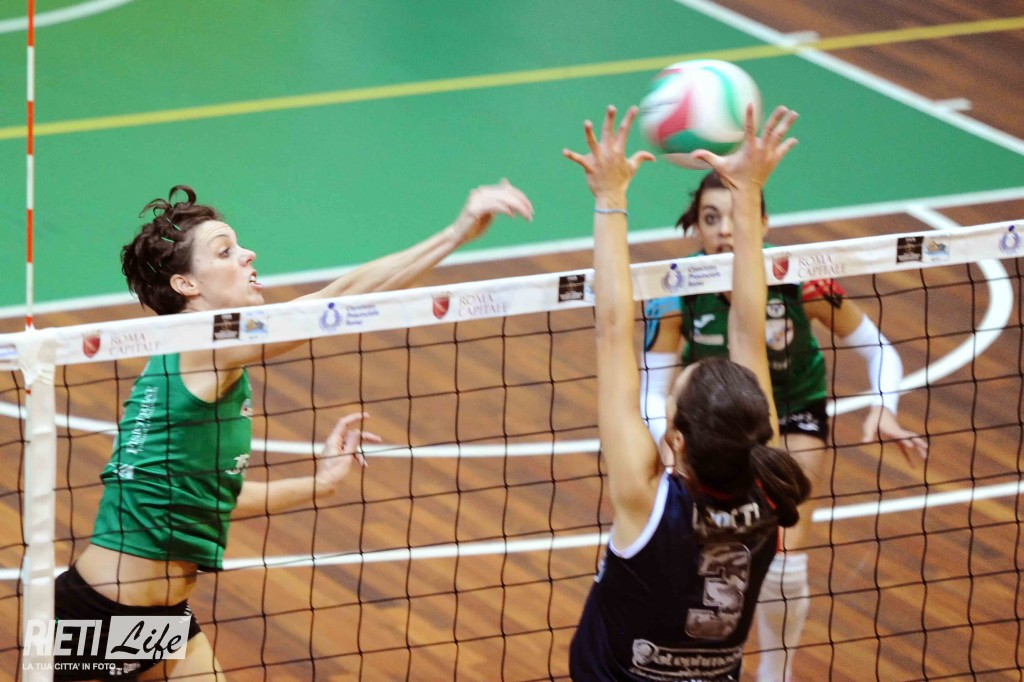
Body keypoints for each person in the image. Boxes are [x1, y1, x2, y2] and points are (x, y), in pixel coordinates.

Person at [54, 181, 533, 680]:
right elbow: (333, 301)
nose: (248, 254)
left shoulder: (203, 361)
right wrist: (455, 234)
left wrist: (320, 484)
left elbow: (207, 500)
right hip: (99, 616)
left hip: (161, 617)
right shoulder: (203, 345)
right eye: (225, 251)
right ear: (186, 285)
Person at [642, 172, 928, 681]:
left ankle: (777, 674)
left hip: (794, 411)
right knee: (707, 560)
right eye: (711, 218)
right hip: (715, 424)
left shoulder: (799, 277)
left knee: (784, 563)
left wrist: (886, 405)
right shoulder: (674, 289)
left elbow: (878, 348)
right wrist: (663, 442)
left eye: (737, 216)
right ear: (697, 228)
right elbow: (654, 387)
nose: (724, 229)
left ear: (764, 223)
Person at [563, 102, 810, 681]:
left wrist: (610, 198)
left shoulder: (648, 504)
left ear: (674, 439)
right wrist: (747, 193)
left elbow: (612, 329)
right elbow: (749, 329)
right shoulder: (768, 491)